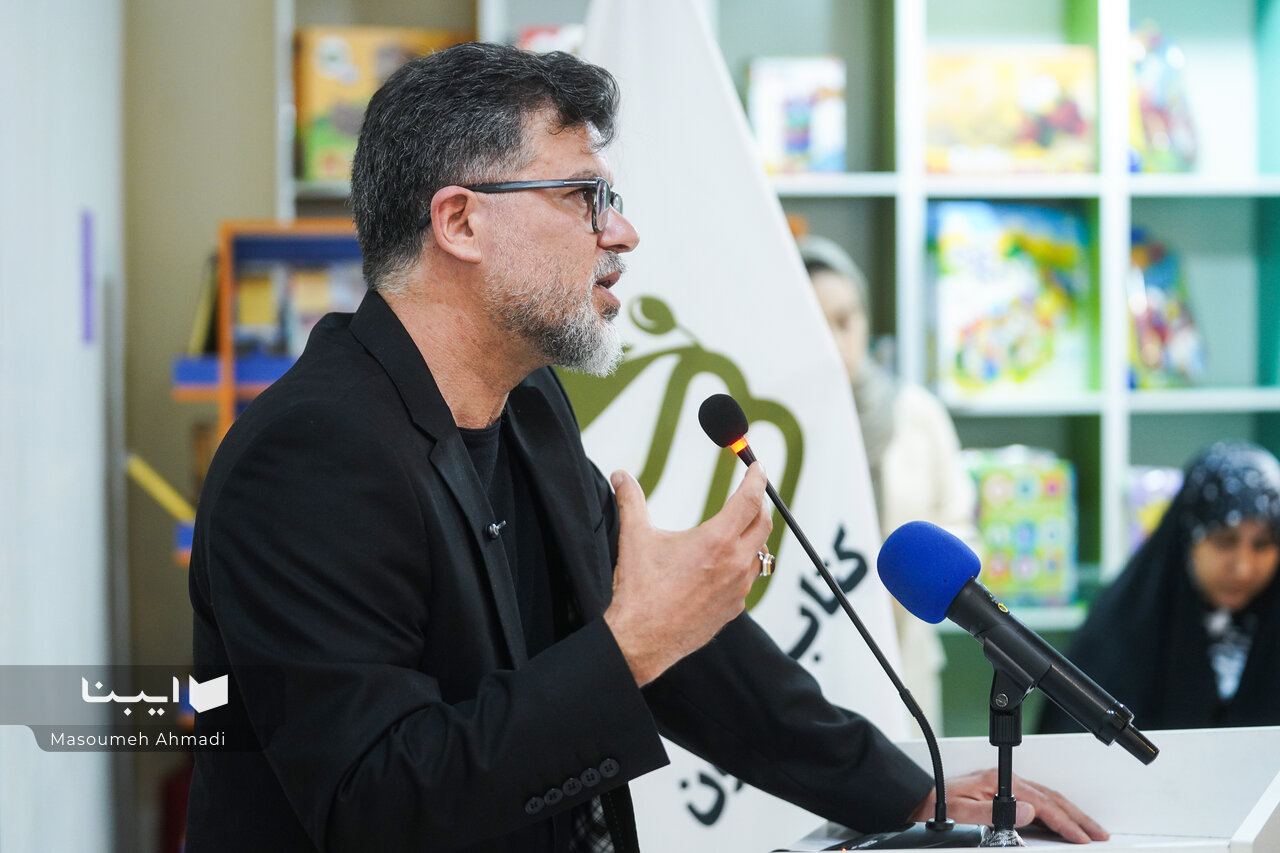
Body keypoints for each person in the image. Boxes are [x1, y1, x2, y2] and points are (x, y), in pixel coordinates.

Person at [186, 42, 1105, 852]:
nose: (620, 232)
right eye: (584, 197)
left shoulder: (528, 405)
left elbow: (691, 654)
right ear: (460, 221)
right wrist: (631, 646)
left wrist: (905, 790)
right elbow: (375, 800)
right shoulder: (309, 456)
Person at [802, 235, 979, 734]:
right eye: (817, 323)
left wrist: (919, 582)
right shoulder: (772, 425)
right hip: (808, 659)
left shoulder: (915, 414)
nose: (836, 341)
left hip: (904, 660)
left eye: (845, 320)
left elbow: (960, 527)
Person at [1040, 441, 1280, 734]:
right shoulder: (1120, 631)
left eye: (1263, 544)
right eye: (1224, 541)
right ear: (1187, 537)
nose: (1243, 567)